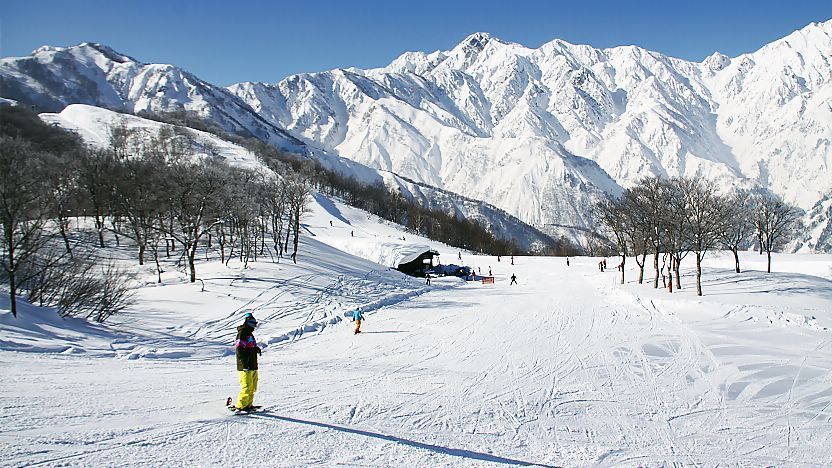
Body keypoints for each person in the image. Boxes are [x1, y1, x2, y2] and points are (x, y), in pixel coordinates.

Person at [234, 312, 261, 411]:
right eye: (253, 323)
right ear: (248, 322)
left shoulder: (250, 334)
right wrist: (244, 364)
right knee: (247, 387)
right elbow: (239, 350)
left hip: (253, 364)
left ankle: (248, 405)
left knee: (253, 387)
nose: (255, 325)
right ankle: (241, 406)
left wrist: (255, 349)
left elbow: (249, 347)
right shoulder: (242, 333)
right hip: (245, 366)